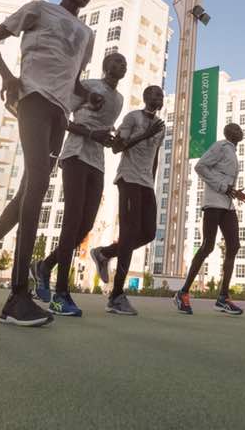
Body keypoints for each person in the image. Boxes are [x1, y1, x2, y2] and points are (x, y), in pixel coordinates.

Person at [0, 52, 127, 315]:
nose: (120, 64)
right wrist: (90, 132)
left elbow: (95, 126)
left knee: (81, 224)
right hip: (73, 153)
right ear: (103, 65)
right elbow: (65, 118)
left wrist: (112, 140)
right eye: (115, 60)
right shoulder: (86, 86)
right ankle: (58, 294)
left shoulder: (119, 99)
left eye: (124, 62)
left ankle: (27, 266)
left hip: (95, 160)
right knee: (58, 215)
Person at [0, 0, 98, 327]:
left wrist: (85, 96)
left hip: (59, 114)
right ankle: (16, 296)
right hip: (31, 98)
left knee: (31, 193)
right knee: (37, 187)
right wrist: (8, 77)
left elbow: (74, 80)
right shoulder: (39, 10)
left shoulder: (88, 35)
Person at [91, 85, 167, 316]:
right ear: (145, 98)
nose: (159, 98)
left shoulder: (161, 127)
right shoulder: (132, 117)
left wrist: (151, 182)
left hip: (145, 183)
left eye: (161, 95)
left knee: (149, 233)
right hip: (128, 178)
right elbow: (117, 148)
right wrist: (144, 134)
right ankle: (116, 296)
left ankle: (104, 253)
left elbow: (154, 157)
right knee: (129, 232)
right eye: (155, 94)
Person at [174, 123, 245, 316]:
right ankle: (182, 293)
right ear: (228, 133)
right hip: (213, 203)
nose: (240, 131)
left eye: (240, 129)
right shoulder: (220, 146)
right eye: (236, 129)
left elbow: (224, 180)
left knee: (234, 246)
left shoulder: (233, 152)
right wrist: (224, 187)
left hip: (227, 205)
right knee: (208, 246)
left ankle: (223, 298)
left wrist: (233, 192)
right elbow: (200, 167)